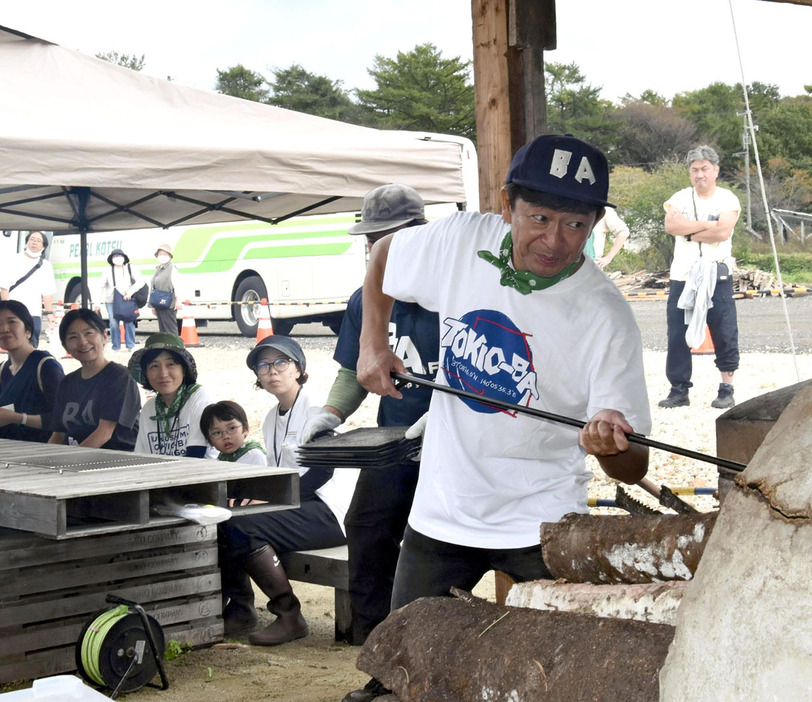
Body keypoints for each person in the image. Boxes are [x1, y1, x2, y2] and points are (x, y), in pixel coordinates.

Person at [349, 134, 651, 701]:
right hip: (446, 504)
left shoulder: (605, 315)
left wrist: (613, 446)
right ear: (507, 202)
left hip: (542, 514)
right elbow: (385, 253)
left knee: (558, 676)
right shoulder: (463, 242)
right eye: (539, 217)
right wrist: (371, 344)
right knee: (399, 670)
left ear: (596, 224)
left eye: (577, 225)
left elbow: (636, 467)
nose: (555, 240)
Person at [300, 184, 437, 648]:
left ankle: (429, 642)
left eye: (388, 238)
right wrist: (330, 412)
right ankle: (373, 643)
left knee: (437, 543)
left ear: (420, 235)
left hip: (455, 441)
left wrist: (445, 415)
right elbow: (354, 370)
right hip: (393, 441)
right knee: (366, 528)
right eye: (370, 240)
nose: (377, 249)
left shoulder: (453, 291)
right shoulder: (366, 298)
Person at [218, 337, 358, 644]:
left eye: (281, 363)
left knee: (241, 523)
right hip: (302, 506)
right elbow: (279, 475)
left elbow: (324, 471)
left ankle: (289, 615)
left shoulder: (317, 407)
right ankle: (241, 608)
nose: (272, 371)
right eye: (263, 365)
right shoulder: (270, 418)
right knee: (225, 518)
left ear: (298, 369)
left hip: (333, 511)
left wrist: (273, 501)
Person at [658, 145, 741, 410]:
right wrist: (708, 224)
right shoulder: (680, 198)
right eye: (694, 169)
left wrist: (690, 231)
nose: (700, 174)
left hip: (717, 273)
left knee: (724, 329)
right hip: (683, 274)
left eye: (705, 168)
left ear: (716, 170)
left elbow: (723, 232)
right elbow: (672, 226)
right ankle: (679, 388)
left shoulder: (727, 198)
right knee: (677, 333)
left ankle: (726, 386)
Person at [49, 308, 140, 450]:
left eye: (88, 333)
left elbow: (104, 433)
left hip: (116, 460)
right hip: (78, 458)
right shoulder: (67, 382)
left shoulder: (119, 377)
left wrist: (70, 462)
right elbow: (58, 435)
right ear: (65, 345)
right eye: (73, 337)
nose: (83, 342)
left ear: (104, 336)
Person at [128, 333, 216, 458]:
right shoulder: (149, 408)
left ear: (184, 370)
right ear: (146, 373)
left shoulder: (198, 397)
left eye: (171, 364)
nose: (163, 373)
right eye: (154, 366)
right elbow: (141, 458)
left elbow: (196, 455)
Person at [0, 300, 64, 442]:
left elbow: (63, 418)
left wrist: (19, 418)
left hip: (39, 453)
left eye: (12, 322)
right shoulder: (3, 369)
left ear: (28, 330)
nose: (4, 329)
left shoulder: (45, 366)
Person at [0, 231, 56, 348]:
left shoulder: (46, 266)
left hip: (34, 313)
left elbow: (47, 292)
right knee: (13, 344)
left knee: (32, 346)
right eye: (32, 239)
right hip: (14, 313)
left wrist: (49, 313)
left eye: (38, 240)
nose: (34, 242)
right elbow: (4, 288)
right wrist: (6, 310)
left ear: (44, 246)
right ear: (26, 242)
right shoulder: (13, 260)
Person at [93, 248, 144, 353]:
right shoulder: (107, 271)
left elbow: (140, 281)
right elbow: (100, 287)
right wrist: (97, 303)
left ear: (124, 258)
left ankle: (130, 345)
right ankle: (115, 346)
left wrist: (130, 293)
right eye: (114, 257)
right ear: (111, 259)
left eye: (119, 256)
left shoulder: (130, 268)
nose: (117, 259)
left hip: (127, 300)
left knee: (129, 321)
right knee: (113, 323)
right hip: (111, 301)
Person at [200, 400, 267, 467]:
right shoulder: (217, 463)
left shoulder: (255, 456)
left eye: (232, 428)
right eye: (217, 433)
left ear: (245, 429)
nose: (225, 436)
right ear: (210, 440)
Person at [150, 244, 183, 336]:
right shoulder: (158, 269)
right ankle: (166, 347)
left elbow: (178, 286)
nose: (162, 256)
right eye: (160, 254)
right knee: (162, 328)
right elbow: (153, 286)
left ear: (169, 256)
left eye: (165, 254)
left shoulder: (172, 268)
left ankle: (174, 347)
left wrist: (178, 301)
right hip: (158, 302)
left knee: (170, 327)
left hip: (168, 302)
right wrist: (153, 306)